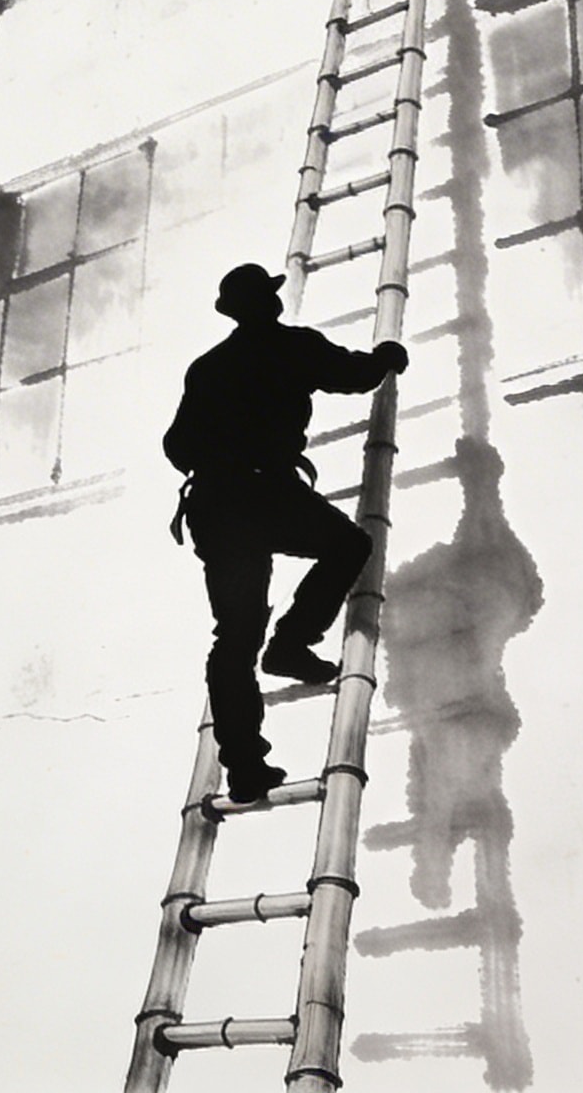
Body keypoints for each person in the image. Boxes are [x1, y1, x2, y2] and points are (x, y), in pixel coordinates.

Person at [164, 262, 409, 802]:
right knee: (348, 545)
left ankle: (245, 766)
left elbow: (177, 446)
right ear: (264, 306)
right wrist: (389, 356)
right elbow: (355, 375)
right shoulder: (291, 346)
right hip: (263, 495)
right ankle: (293, 644)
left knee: (234, 638)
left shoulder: (207, 368)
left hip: (216, 507)